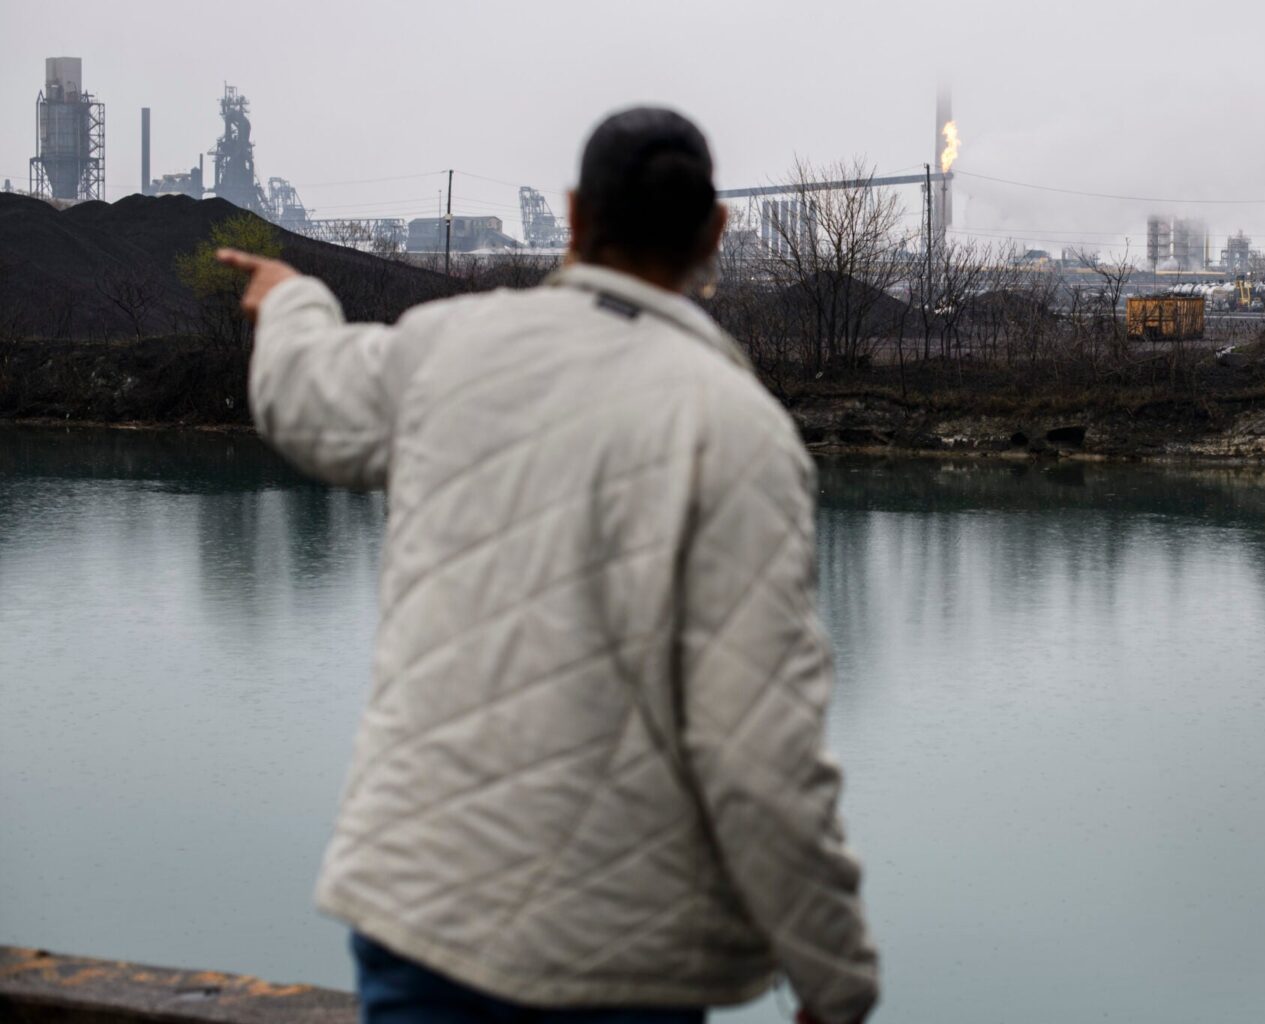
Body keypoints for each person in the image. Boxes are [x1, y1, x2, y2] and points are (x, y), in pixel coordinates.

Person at [218, 108, 878, 1024]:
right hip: (619, 958)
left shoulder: (449, 347)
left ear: (572, 216)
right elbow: (759, 749)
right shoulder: (738, 428)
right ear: (715, 233)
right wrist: (833, 975)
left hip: (423, 916)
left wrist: (289, 300)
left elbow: (307, 399)